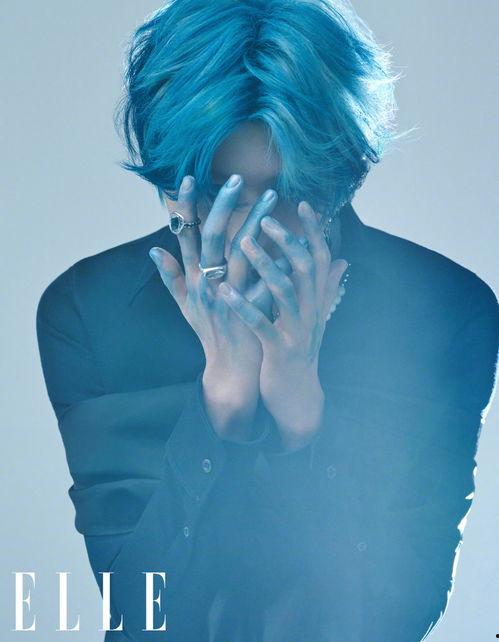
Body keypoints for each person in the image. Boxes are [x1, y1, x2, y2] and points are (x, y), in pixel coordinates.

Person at [35, 1, 499, 641]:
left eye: (293, 191)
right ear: (171, 190)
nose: (254, 232)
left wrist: (301, 415)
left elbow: (394, 618)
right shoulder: (90, 311)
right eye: (220, 192)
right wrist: (224, 402)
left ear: (340, 178)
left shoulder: (445, 312)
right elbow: (142, 615)